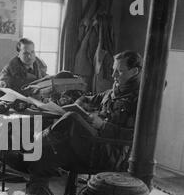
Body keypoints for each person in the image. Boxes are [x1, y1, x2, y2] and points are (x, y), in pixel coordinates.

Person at [26, 50, 143, 186]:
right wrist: (79, 102)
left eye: (119, 71)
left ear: (134, 71)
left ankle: (35, 144)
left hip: (109, 153)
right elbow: (88, 98)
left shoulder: (139, 100)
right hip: (93, 143)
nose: (113, 75)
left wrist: (103, 125)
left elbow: (133, 137)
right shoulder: (113, 92)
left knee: (71, 117)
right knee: (45, 154)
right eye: (113, 70)